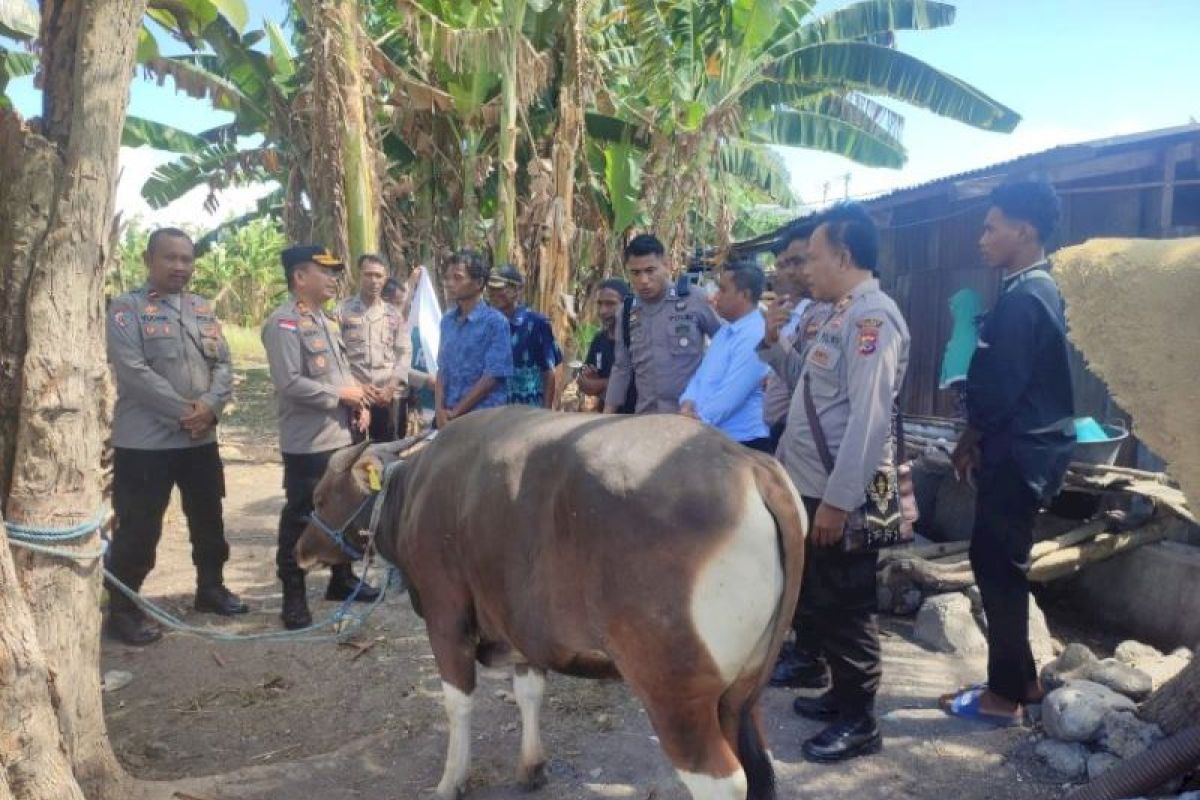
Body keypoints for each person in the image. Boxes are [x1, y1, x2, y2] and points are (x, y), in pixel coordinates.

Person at [759, 203, 910, 763]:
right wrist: (775, 344)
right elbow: (809, 388)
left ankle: (860, 720)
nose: (805, 269)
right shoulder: (837, 315)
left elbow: (869, 421)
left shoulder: (873, 320)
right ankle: (840, 694)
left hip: (841, 494)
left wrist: (837, 504)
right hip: (816, 485)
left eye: (815, 258)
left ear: (844, 258)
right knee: (822, 597)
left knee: (849, 605)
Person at [943, 181, 1075, 725]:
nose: (983, 238)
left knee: (998, 567)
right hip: (1020, 450)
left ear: (1024, 230)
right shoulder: (1028, 290)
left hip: (1019, 454)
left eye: (991, 226)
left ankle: (1002, 697)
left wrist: (969, 438)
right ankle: (1022, 682)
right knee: (1000, 564)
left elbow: (1000, 391)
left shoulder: (1026, 297)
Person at [105, 228, 247, 645]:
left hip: (199, 441)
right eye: (170, 258)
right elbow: (133, 373)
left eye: (187, 258)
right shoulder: (126, 309)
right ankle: (124, 608)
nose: (180, 266)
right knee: (138, 528)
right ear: (149, 260)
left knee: (208, 519)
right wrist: (186, 412)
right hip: (146, 443)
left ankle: (211, 588)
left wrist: (211, 407)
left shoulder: (202, 309)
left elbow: (224, 364)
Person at [262, 245, 378, 630]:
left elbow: (339, 374)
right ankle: (293, 596)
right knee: (300, 516)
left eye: (334, 273)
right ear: (300, 277)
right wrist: (340, 395)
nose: (333, 279)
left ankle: (340, 579)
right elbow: (290, 382)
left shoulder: (327, 322)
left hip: (341, 435)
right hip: (309, 442)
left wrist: (357, 402)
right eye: (324, 272)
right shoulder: (283, 324)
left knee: (345, 510)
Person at [604, 234, 721, 414]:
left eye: (650, 270)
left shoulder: (694, 298)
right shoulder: (626, 311)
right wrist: (607, 413)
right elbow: (621, 366)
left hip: (692, 415)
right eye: (636, 273)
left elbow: (726, 344)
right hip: (647, 416)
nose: (643, 280)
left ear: (666, 265)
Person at [679, 264, 771, 451]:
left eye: (722, 290)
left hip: (742, 442)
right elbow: (701, 377)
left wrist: (696, 421)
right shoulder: (725, 331)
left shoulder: (755, 335)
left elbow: (732, 395)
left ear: (744, 295)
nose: (714, 297)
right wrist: (687, 401)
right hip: (710, 434)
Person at [335, 254, 411, 442]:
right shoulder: (342, 311)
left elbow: (404, 353)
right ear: (358, 275)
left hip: (386, 397)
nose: (373, 280)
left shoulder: (393, 315)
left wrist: (391, 387)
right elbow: (336, 355)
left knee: (385, 454)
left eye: (379, 276)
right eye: (368, 275)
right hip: (355, 397)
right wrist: (356, 386)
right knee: (352, 454)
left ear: (385, 278)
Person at [435, 250, 513, 427]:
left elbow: (493, 376)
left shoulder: (495, 323)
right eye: (447, 278)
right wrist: (439, 410)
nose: (449, 283)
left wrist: (456, 412)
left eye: (457, 278)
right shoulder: (447, 321)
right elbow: (442, 369)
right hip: (446, 418)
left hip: (482, 420)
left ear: (478, 283)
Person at [763, 219, 819, 451]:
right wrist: (772, 339)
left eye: (797, 262)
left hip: (818, 446)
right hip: (792, 437)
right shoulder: (810, 312)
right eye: (784, 264)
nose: (789, 273)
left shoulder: (867, 314)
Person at [486, 264, 562, 408]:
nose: (495, 293)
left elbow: (549, 371)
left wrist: (545, 412)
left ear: (518, 290)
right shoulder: (487, 325)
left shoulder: (537, 324)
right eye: (491, 288)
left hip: (529, 410)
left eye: (501, 288)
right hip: (495, 410)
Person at [579, 279, 637, 413]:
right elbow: (584, 382)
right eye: (599, 304)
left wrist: (602, 384)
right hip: (605, 415)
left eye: (610, 304)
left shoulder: (637, 340)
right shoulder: (599, 340)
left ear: (626, 305)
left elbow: (634, 384)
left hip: (635, 417)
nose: (602, 311)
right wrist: (590, 381)